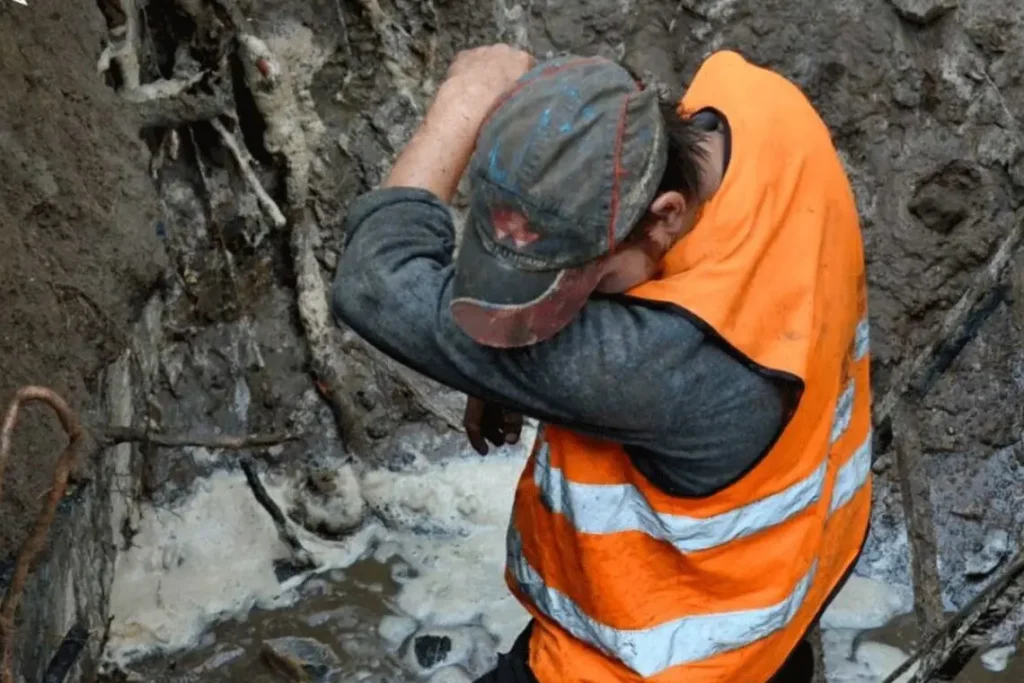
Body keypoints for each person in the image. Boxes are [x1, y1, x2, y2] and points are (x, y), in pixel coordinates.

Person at [332, 43, 873, 683]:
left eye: (570, 288)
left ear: (665, 217)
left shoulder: (653, 365)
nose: (557, 310)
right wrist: (515, 336)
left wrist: (465, 101)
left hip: (654, 661)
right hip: (784, 579)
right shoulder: (756, 105)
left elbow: (375, 281)